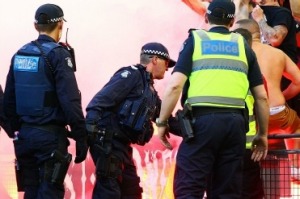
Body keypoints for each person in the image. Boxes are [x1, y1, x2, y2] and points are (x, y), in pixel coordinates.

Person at [156, 0, 269, 198]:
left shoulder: (195, 40)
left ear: (206, 17)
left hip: (202, 125)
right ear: (232, 21)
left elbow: (174, 86)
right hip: (235, 127)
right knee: (227, 190)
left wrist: (163, 121)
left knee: (189, 187)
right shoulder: (243, 46)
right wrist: (263, 135)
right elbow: (261, 97)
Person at [3, 4, 88, 199]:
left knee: (31, 191)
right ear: (60, 24)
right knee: (50, 191)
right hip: (50, 138)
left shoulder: (20, 54)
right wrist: (81, 136)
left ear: (35, 26)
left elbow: (8, 101)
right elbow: (70, 100)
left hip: (24, 137)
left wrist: (18, 131)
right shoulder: (58, 55)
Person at [85, 42, 176, 199]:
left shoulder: (149, 89)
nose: (167, 68)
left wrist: (195, 128)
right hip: (107, 140)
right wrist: (94, 136)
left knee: (131, 191)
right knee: (109, 190)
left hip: (122, 146)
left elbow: (164, 117)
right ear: (154, 59)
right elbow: (97, 103)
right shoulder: (131, 75)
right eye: (166, 62)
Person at [235, 19, 300, 176]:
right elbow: (298, 82)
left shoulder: (237, 54)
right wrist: (280, 96)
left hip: (251, 119)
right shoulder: (277, 53)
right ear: (259, 33)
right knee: (296, 127)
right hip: (278, 113)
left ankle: (247, 172)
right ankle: (295, 168)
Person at [233, 27, 265, 199]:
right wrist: (262, 135)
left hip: (222, 144)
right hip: (248, 146)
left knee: (222, 188)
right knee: (250, 192)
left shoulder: (222, 71)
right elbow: (262, 104)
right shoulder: (255, 74)